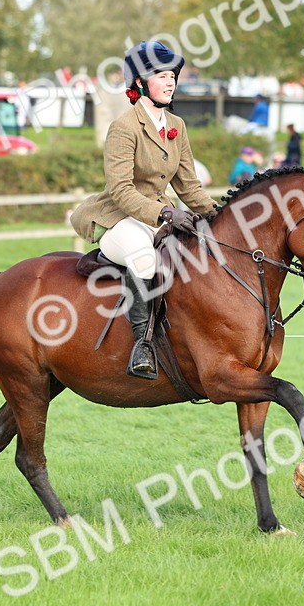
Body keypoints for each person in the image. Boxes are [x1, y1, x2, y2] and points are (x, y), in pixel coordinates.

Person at [69, 40, 217, 380]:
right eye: (161, 76)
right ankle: (143, 345)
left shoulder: (177, 126)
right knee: (143, 255)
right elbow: (121, 189)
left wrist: (218, 214)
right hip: (119, 218)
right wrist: (165, 214)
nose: (170, 83)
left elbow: (189, 187)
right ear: (139, 82)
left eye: (172, 76)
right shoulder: (123, 126)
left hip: (161, 215)